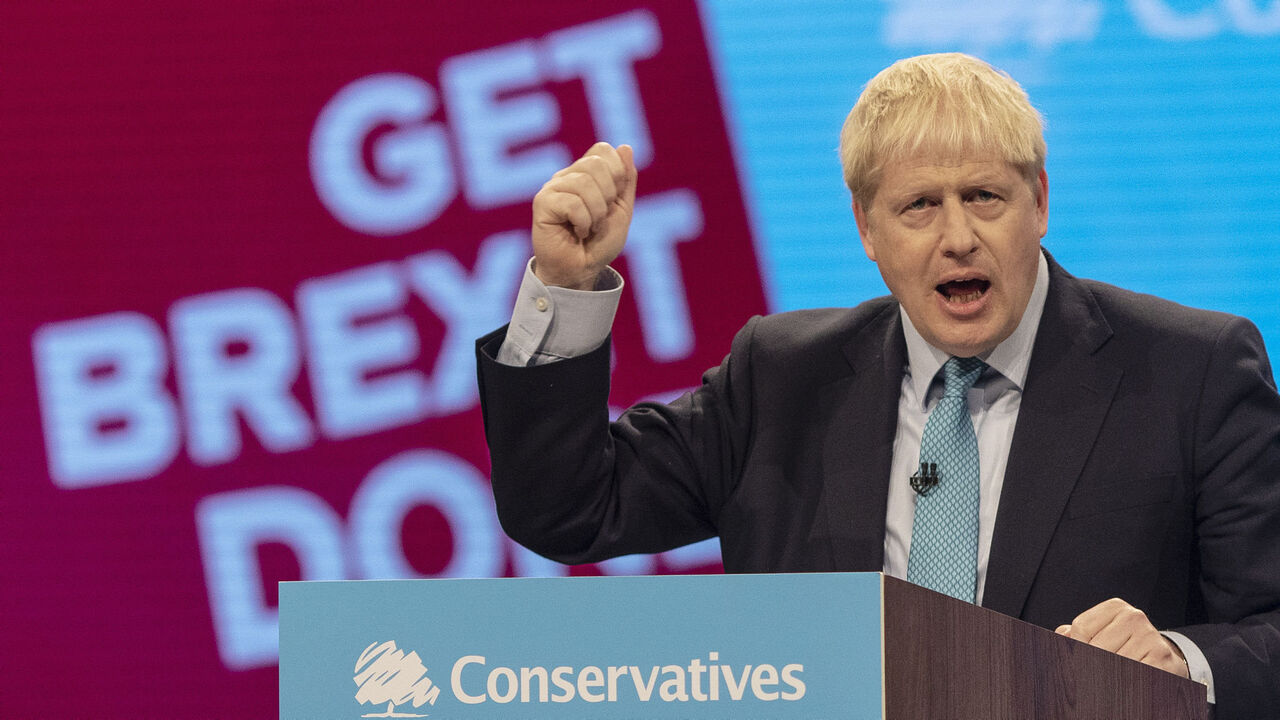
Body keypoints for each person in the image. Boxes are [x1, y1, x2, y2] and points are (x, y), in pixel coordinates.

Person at [474, 53, 1280, 718]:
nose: (958, 237)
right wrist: (566, 286)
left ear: (1039, 201)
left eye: (984, 197)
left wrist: (1181, 662)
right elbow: (570, 509)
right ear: (866, 227)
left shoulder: (1191, 371)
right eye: (919, 206)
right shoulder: (781, 377)